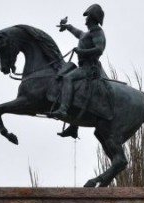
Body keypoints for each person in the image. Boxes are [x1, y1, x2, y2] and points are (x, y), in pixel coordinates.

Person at [53, 3, 107, 138]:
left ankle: (63, 110)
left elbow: (99, 49)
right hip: (83, 66)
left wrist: (81, 51)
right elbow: (79, 34)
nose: (86, 18)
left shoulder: (97, 32)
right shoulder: (89, 33)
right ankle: (73, 126)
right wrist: (68, 27)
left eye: (88, 16)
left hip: (90, 68)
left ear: (93, 17)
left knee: (68, 78)